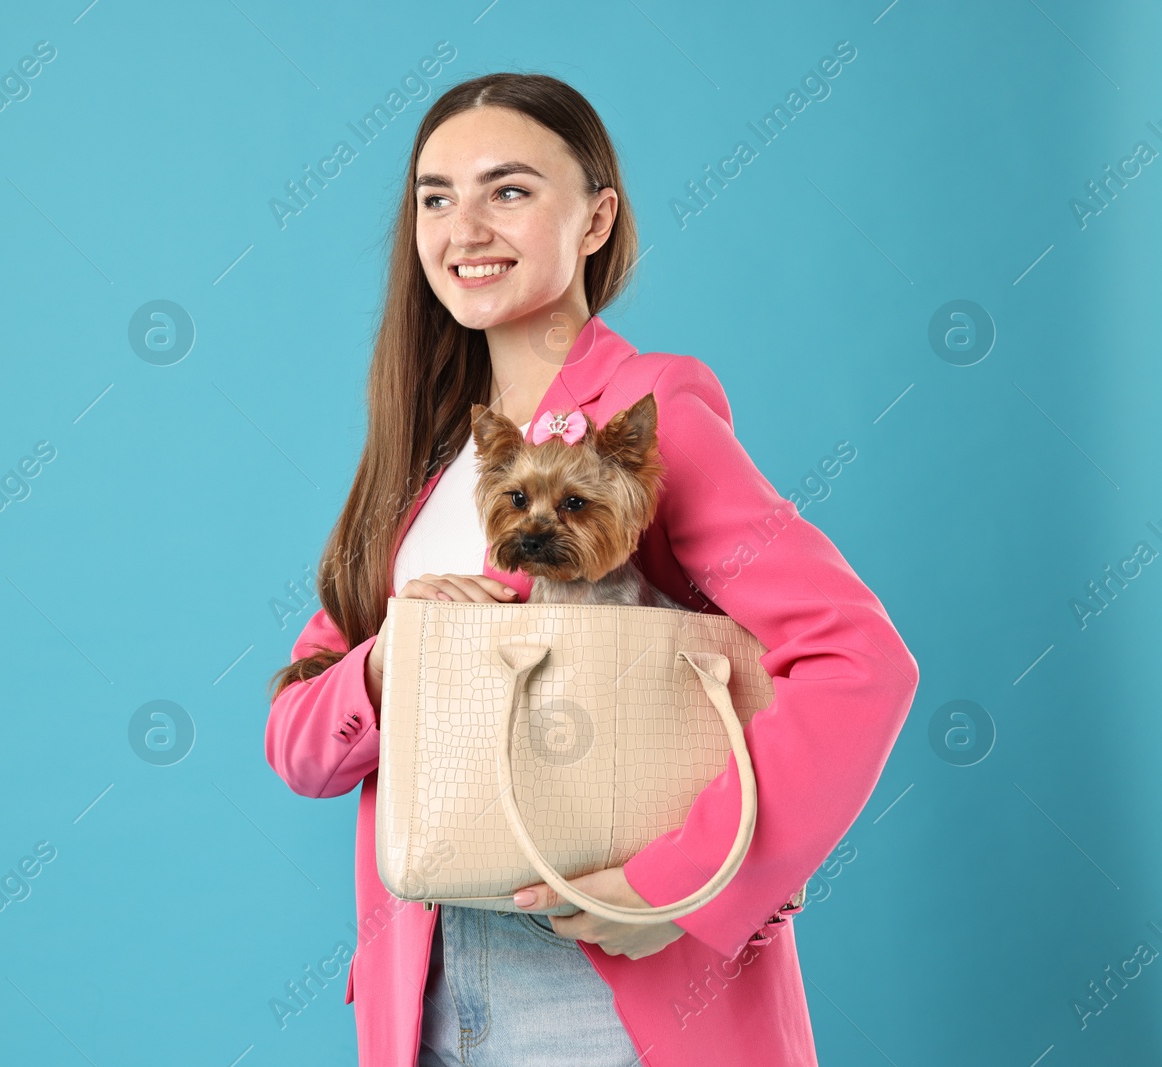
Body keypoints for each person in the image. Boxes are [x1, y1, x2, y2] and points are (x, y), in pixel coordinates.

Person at [264, 71, 919, 1067]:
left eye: (509, 189)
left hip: (603, 991)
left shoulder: (648, 419)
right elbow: (300, 744)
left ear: (596, 218)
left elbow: (858, 659)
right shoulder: (425, 465)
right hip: (423, 990)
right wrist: (386, 664)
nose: (464, 226)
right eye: (435, 196)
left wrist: (685, 882)